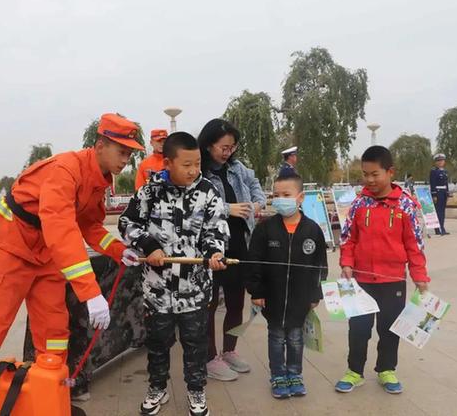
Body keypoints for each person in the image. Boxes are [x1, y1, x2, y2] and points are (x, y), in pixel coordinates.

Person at [0, 113, 144, 416]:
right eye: (122, 152)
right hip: (11, 246)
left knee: (54, 328)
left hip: (46, 251)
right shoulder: (65, 170)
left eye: (130, 154)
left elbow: (90, 226)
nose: (126, 160)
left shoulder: (98, 181)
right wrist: (90, 292)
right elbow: (61, 228)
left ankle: (50, 394)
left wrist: (119, 251)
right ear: (99, 145)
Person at [118, 132, 230, 416]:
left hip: (194, 290)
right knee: (157, 344)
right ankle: (157, 387)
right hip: (157, 291)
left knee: (195, 344)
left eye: (198, 164)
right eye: (187, 165)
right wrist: (148, 245)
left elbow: (216, 230)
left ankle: (196, 391)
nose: (194, 171)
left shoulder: (208, 192)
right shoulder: (150, 192)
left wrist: (215, 254)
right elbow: (126, 222)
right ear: (168, 162)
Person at [335, 145, 430, 395]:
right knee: (358, 329)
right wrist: (346, 263)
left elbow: (415, 245)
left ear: (390, 172)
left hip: (393, 281)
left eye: (375, 174)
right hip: (360, 281)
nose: (369, 180)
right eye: (365, 174)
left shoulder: (406, 206)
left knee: (390, 328)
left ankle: (386, 369)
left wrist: (420, 277)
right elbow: (348, 239)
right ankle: (354, 371)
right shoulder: (358, 203)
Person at [246, 173, 327, 399]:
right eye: (276, 195)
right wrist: (256, 290)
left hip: (300, 299)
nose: (280, 199)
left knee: (295, 338)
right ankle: (278, 376)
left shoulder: (312, 230)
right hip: (272, 297)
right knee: (276, 337)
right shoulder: (264, 229)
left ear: (300, 198)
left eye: (286, 195)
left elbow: (320, 265)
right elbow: (254, 262)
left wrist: (315, 293)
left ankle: (294, 374)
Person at [198, 118, 267, 381]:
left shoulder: (237, 168)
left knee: (237, 301)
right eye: (223, 147)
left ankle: (229, 351)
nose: (228, 152)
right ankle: (210, 357)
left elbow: (255, 186)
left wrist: (257, 204)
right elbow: (195, 205)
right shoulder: (200, 171)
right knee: (210, 303)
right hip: (212, 246)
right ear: (208, 145)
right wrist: (228, 208)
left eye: (232, 147)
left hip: (240, 242)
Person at [430, 153, 450, 235]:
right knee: (438, 211)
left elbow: (446, 183)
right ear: (436, 162)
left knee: (442, 211)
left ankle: (442, 227)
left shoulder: (444, 171)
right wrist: (434, 195)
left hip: (444, 193)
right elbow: (433, 183)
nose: (441, 162)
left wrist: (447, 193)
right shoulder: (433, 171)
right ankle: (438, 229)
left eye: (442, 160)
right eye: (439, 161)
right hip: (438, 193)